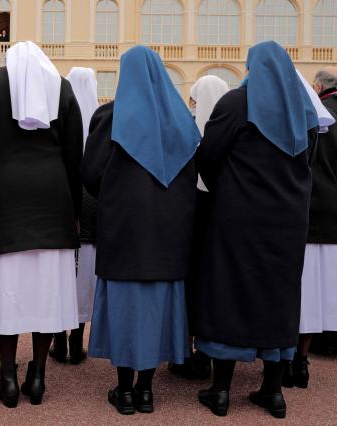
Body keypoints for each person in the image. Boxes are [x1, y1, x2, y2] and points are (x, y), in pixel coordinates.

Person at [194, 41, 319, 419]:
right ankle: (273, 391)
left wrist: (227, 190)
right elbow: (307, 160)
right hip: (289, 220)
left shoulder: (236, 103)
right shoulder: (304, 109)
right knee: (280, 296)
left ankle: (220, 391)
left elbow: (208, 157)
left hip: (238, 216)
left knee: (231, 291)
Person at [0, 41, 83, 408]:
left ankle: (8, 379)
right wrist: (74, 208)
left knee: (7, 290)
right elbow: (75, 153)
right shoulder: (61, 87)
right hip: (53, 195)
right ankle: (40, 377)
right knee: (49, 291)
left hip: (5, 196)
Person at [82, 46, 198, 416]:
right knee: (157, 307)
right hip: (168, 231)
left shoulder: (111, 116)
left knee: (124, 305)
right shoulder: (180, 118)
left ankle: (125, 390)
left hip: (124, 229)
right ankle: (147, 390)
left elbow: (91, 176)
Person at [168, 75, 229, 380]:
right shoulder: (230, 131)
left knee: (188, 285)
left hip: (189, 214)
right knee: (211, 285)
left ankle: (183, 351)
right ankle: (208, 354)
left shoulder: (186, 130)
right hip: (219, 215)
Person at [285, 68, 337, 389]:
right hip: (332, 216)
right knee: (319, 293)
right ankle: (302, 360)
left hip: (304, 212)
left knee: (298, 290)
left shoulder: (308, 116)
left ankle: (288, 359)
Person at [49, 67, 99, 365]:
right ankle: (78, 336)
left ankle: (58, 338)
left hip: (64, 196)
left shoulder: (61, 115)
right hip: (91, 200)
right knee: (85, 273)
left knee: (61, 270)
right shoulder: (99, 119)